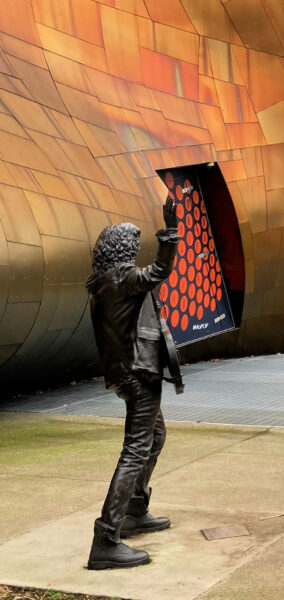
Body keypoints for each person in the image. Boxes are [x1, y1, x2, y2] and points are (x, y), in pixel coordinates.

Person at [85, 196, 183, 570]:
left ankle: (135, 510)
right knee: (136, 449)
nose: (135, 251)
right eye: (132, 246)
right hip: (139, 375)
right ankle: (106, 536)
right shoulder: (122, 279)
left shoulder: (102, 283)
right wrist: (170, 231)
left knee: (154, 437)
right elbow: (159, 270)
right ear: (122, 251)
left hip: (128, 373)